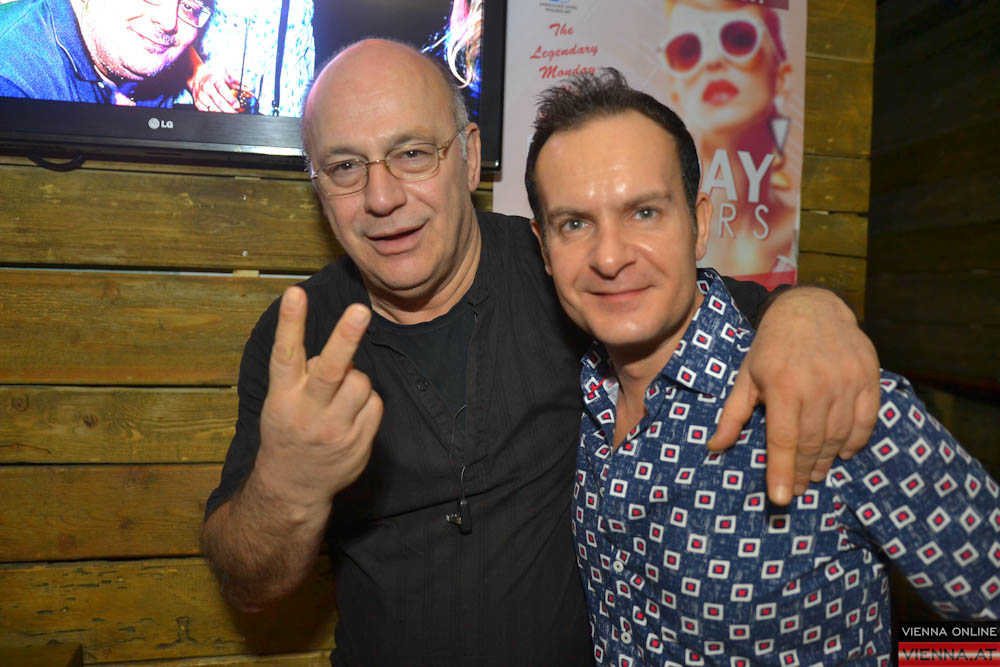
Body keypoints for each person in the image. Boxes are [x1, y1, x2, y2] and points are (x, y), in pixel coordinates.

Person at [200, 39, 881, 666]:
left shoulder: (568, 271)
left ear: (469, 156)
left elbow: (711, 300)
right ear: (317, 184)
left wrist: (808, 309)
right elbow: (248, 584)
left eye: (412, 154)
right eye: (345, 166)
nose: (382, 197)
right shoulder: (297, 337)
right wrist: (288, 487)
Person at [525, 68, 1000, 665]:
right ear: (545, 249)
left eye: (644, 212)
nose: (610, 256)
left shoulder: (828, 396)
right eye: (575, 224)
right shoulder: (583, 395)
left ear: (699, 223)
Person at [661, 0, 800, 288]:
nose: (712, 60)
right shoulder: (654, 237)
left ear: (781, 78)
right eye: (687, 50)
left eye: (738, 38)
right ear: (676, 95)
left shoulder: (793, 235)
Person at [0, 0, 211, 106]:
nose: (168, 22)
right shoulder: (14, 85)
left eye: (189, 6)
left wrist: (195, 70)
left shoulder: (124, 42)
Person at [180, 0, 315, 116]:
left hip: (287, 114)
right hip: (213, 102)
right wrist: (195, 73)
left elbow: (307, 45)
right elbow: (172, 22)